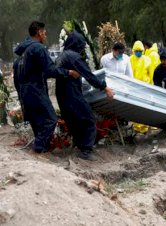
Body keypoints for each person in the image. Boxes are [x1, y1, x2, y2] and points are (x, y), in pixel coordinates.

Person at [13, 21, 80, 153]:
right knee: (51, 119)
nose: (45, 35)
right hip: (36, 90)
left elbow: (16, 77)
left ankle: (43, 149)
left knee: (37, 121)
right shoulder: (38, 48)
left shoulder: (22, 52)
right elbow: (50, 70)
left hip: (24, 92)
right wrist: (68, 72)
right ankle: (38, 148)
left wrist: (21, 93)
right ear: (39, 32)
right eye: (44, 33)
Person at [55, 31, 114, 160]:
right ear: (77, 44)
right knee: (89, 120)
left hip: (61, 95)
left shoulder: (62, 56)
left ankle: (80, 147)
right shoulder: (74, 57)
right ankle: (86, 151)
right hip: (72, 94)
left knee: (73, 122)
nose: (82, 48)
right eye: (81, 45)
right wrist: (104, 87)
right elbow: (88, 75)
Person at [130, 40, 152, 134]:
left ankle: (145, 127)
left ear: (143, 50)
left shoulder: (147, 59)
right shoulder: (130, 59)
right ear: (133, 50)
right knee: (136, 107)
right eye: (136, 50)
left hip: (145, 87)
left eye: (140, 50)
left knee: (145, 107)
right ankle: (137, 127)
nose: (138, 52)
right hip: (134, 87)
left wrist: (151, 85)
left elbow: (151, 74)